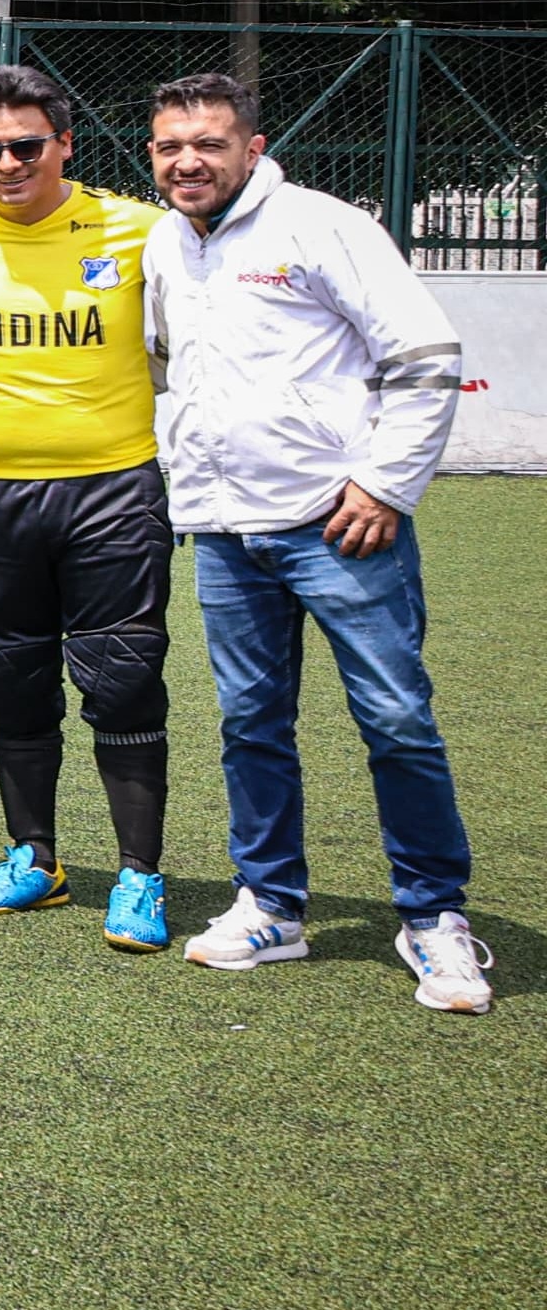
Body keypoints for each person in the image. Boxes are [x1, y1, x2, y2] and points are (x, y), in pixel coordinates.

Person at [142, 73, 492, 1013]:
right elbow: (165, 362)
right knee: (252, 725)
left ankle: (435, 921)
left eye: (209, 144)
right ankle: (272, 907)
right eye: (171, 145)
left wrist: (384, 483)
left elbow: (424, 355)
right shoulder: (164, 242)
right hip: (222, 530)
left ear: (252, 148)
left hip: (337, 526)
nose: (189, 162)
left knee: (396, 720)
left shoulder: (323, 224)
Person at [0, 65, 176, 951]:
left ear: (65, 144)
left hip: (112, 489)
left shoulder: (140, 230)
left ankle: (140, 876)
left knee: (123, 678)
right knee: (9, 678)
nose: (7, 164)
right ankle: (35, 859)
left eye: (25, 146)